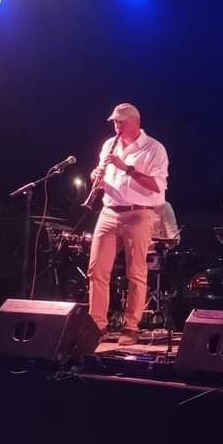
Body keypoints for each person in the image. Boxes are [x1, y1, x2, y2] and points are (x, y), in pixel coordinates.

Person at [87, 103, 169, 345]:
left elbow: (157, 186)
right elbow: (103, 179)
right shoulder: (108, 145)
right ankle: (97, 325)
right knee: (96, 270)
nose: (117, 125)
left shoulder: (154, 148)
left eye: (121, 121)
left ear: (136, 122)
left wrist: (127, 169)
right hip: (109, 211)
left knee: (136, 273)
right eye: (114, 121)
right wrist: (96, 178)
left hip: (139, 214)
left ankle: (131, 326)